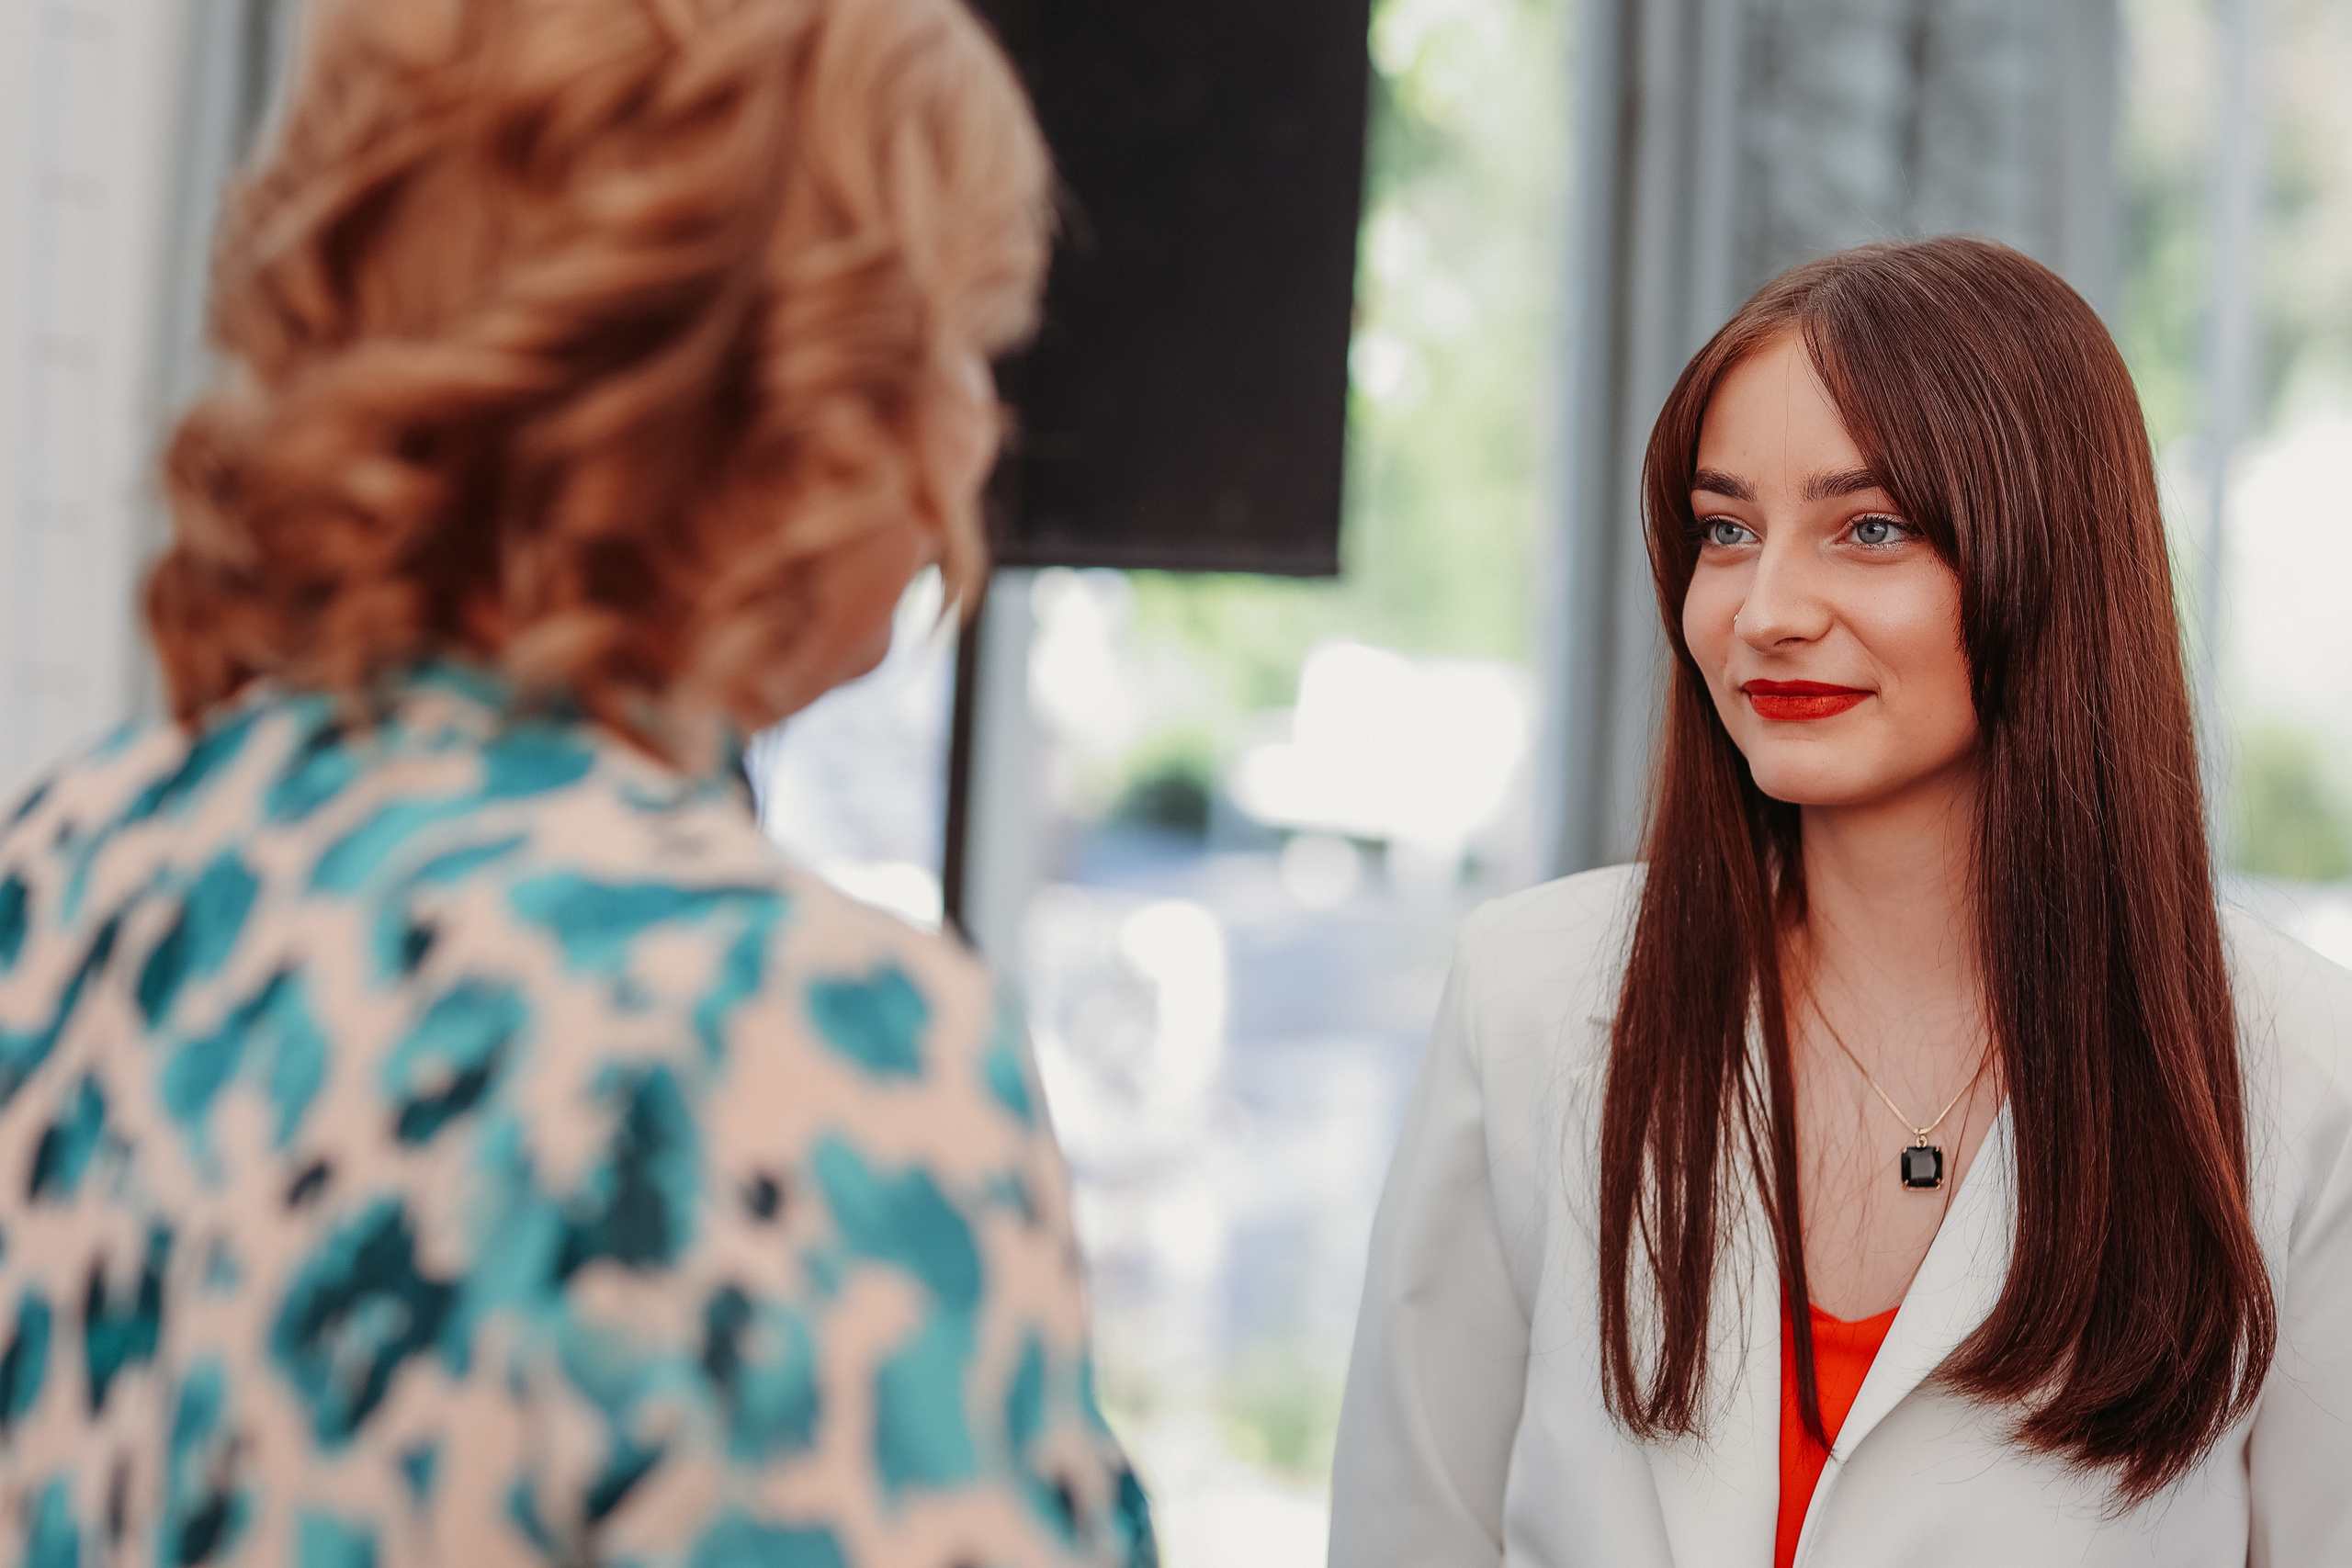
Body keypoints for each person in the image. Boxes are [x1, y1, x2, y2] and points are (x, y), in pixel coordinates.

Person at [0, 0, 1154, 1563]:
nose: (979, 432)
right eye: (962, 343)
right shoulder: (791, 1033)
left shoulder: (62, 872)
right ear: (798, 401)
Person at [1329, 237, 2352, 1567]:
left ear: (2053, 557)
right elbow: (1406, 1534)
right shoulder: (1527, 999)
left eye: (1868, 529)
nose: (1765, 610)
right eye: (1725, 530)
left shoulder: (2299, 1075)